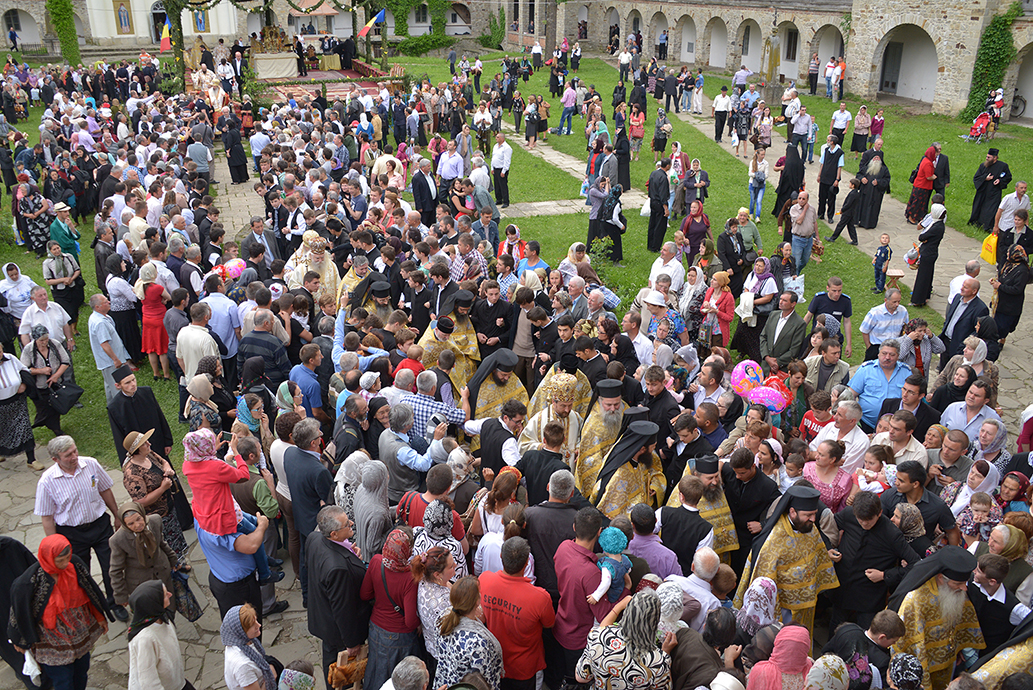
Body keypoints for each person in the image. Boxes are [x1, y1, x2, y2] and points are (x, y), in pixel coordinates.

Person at [8, 534, 112, 690]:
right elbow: (19, 611)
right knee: (62, 679)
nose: (65, 564)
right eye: (59, 561)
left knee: (82, 670)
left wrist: (99, 617)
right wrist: (19, 639)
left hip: (79, 631)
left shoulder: (75, 565)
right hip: (51, 640)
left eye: (67, 558)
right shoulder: (29, 582)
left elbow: (89, 592)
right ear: (47, 557)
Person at [735, 484, 839, 633]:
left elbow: (818, 553)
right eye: (808, 515)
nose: (813, 519)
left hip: (807, 600)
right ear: (792, 512)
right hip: (784, 605)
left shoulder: (810, 527)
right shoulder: (774, 538)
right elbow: (764, 578)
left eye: (814, 514)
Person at [889, 546, 985, 690]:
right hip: (925, 661)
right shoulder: (916, 599)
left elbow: (961, 620)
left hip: (950, 660)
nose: (965, 588)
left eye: (965, 583)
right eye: (958, 584)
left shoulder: (957, 590)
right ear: (941, 578)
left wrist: (959, 647)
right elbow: (907, 641)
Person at [306, 505, 371, 683]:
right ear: (333, 534)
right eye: (346, 525)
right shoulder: (338, 569)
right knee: (340, 671)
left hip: (322, 617)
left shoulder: (314, 538)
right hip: (338, 630)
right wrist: (351, 643)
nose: (351, 523)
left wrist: (350, 554)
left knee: (329, 656)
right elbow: (343, 608)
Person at [575, 590, 676, 690]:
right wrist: (665, 653)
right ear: (655, 622)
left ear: (627, 613)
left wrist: (618, 607)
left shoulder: (598, 637)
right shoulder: (658, 661)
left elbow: (581, 678)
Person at [361, 528, 420, 690]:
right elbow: (409, 621)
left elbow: (365, 594)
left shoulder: (376, 562)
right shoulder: (410, 577)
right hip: (400, 637)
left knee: (376, 671)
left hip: (375, 629)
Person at [108, 500, 177, 611]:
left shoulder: (155, 521)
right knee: (151, 612)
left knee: (169, 607)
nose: (137, 525)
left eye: (138, 519)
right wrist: (121, 595)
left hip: (163, 574)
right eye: (130, 524)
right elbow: (116, 570)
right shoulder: (118, 540)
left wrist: (174, 561)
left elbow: (162, 543)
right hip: (141, 583)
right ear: (124, 525)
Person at [126, 580, 192, 690]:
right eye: (165, 595)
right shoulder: (145, 639)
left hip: (177, 683)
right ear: (153, 603)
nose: (170, 594)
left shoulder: (162, 617)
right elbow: (148, 682)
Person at [220, 604, 277, 690]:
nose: (259, 625)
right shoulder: (243, 666)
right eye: (253, 625)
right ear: (241, 631)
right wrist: (271, 677)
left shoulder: (237, 640)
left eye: (256, 621)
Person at [910, 204, 947, 307]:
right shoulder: (939, 224)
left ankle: (918, 300)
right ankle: (925, 296)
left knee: (922, 277)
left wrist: (924, 238)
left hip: (928, 253)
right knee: (928, 276)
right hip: (932, 252)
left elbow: (922, 237)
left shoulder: (936, 227)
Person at [970, 148, 1013, 232]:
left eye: (989, 157)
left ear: (995, 158)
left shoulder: (1003, 166)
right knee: (979, 207)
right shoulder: (983, 165)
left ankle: (988, 226)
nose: (987, 158)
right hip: (983, 191)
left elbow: (1008, 177)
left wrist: (1000, 181)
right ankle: (977, 222)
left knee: (991, 210)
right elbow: (976, 177)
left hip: (994, 192)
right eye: (987, 156)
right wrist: (985, 178)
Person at [906, 146, 938, 224]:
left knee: (917, 202)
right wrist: (933, 177)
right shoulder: (928, 163)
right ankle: (911, 217)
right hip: (922, 186)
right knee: (917, 203)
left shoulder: (925, 160)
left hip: (920, 185)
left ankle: (915, 217)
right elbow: (928, 177)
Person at [647, 159, 671, 253]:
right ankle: (655, 246)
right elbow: (663, 193)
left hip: (652, 201)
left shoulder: (654, 173)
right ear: (668, 166)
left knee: (652, 223)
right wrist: (666, 208)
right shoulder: (663, 177)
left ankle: (650, 244)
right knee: (660, 226)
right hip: (660, 203)